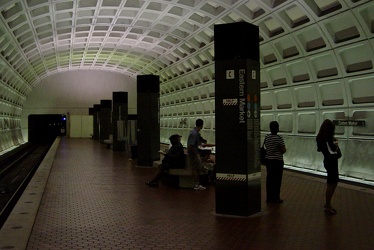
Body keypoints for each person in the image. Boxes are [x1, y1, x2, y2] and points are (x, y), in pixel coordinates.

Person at [316, 119, 342, 215]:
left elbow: (321, 150)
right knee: (332, 183)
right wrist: (335, 144)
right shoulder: (330, 140)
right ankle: (327, 205)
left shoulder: (320, 138)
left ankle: (328, 204)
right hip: (332, 163)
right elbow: (337, 154)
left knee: (331, 183)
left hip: (327, 161)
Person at [264, 121, 286, 203]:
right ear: (277, 128)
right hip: (277, 161)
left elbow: (267, 147)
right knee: (277, 180)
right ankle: (276, 197)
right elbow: (283, 150)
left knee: (269, 179)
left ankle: (269, 197)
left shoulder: (267, 137)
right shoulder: (279, 138)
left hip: (268, 160)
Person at [187, 119, 206, 190]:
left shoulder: (194, 132)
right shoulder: (195, 134)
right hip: (193, 154)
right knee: (195, 168)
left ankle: (198, 184)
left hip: (193, 153)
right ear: (201, 125)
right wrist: (196, 154)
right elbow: (190, 146)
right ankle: (197, 184)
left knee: (197, 167)